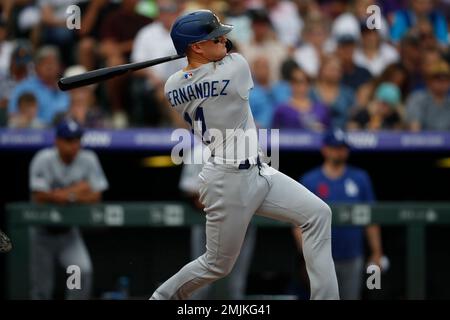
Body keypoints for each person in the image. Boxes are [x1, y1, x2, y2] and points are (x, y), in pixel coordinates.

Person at [149, 9, 339, 300]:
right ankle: (161, 298)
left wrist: (193, 57)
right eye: (215, 36)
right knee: (217, 265)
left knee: (317, 214)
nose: (224, 39)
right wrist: (200, 58)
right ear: (196, 46)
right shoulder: (235, 67)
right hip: (229, 179)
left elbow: (198, 69)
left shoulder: (172, 85)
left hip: (258, 170)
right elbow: (230, 55)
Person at [295, 129, 383, 300]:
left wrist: (376, 252)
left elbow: (372, 218)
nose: (339, 151)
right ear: (325, 149)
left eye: (343, 147)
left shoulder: (360, 178)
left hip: (352, 256)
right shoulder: (310, 180)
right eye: (335, 147)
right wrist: (308, 256)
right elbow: (297, 224)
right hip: (320, 260)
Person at [29, 118, 109, 299]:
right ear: (57, 141)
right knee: (41, 288)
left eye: (77, 140)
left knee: (81, 271)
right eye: (68, 140)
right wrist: (79, 189)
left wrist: (63, 195)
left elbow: (96, 195)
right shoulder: (43, 158)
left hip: (69, 235)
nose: (74, 145)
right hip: (41, 235)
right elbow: (39, 196)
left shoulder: (88, 158)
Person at [8, 46, 70, 125]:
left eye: (53, 63)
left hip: (62, 133)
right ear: (36, 67)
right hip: (34, 133)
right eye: (45, 63)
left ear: (59, 67)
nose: (50, 67)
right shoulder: (23, 88)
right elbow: (13, 116)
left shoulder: (64, 87)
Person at [405, 60, 450, 131]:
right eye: (437, 78)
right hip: (423, 141)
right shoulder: (417, 98)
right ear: (428, 80)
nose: (442, 82)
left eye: (446, 78)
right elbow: (414, 129)